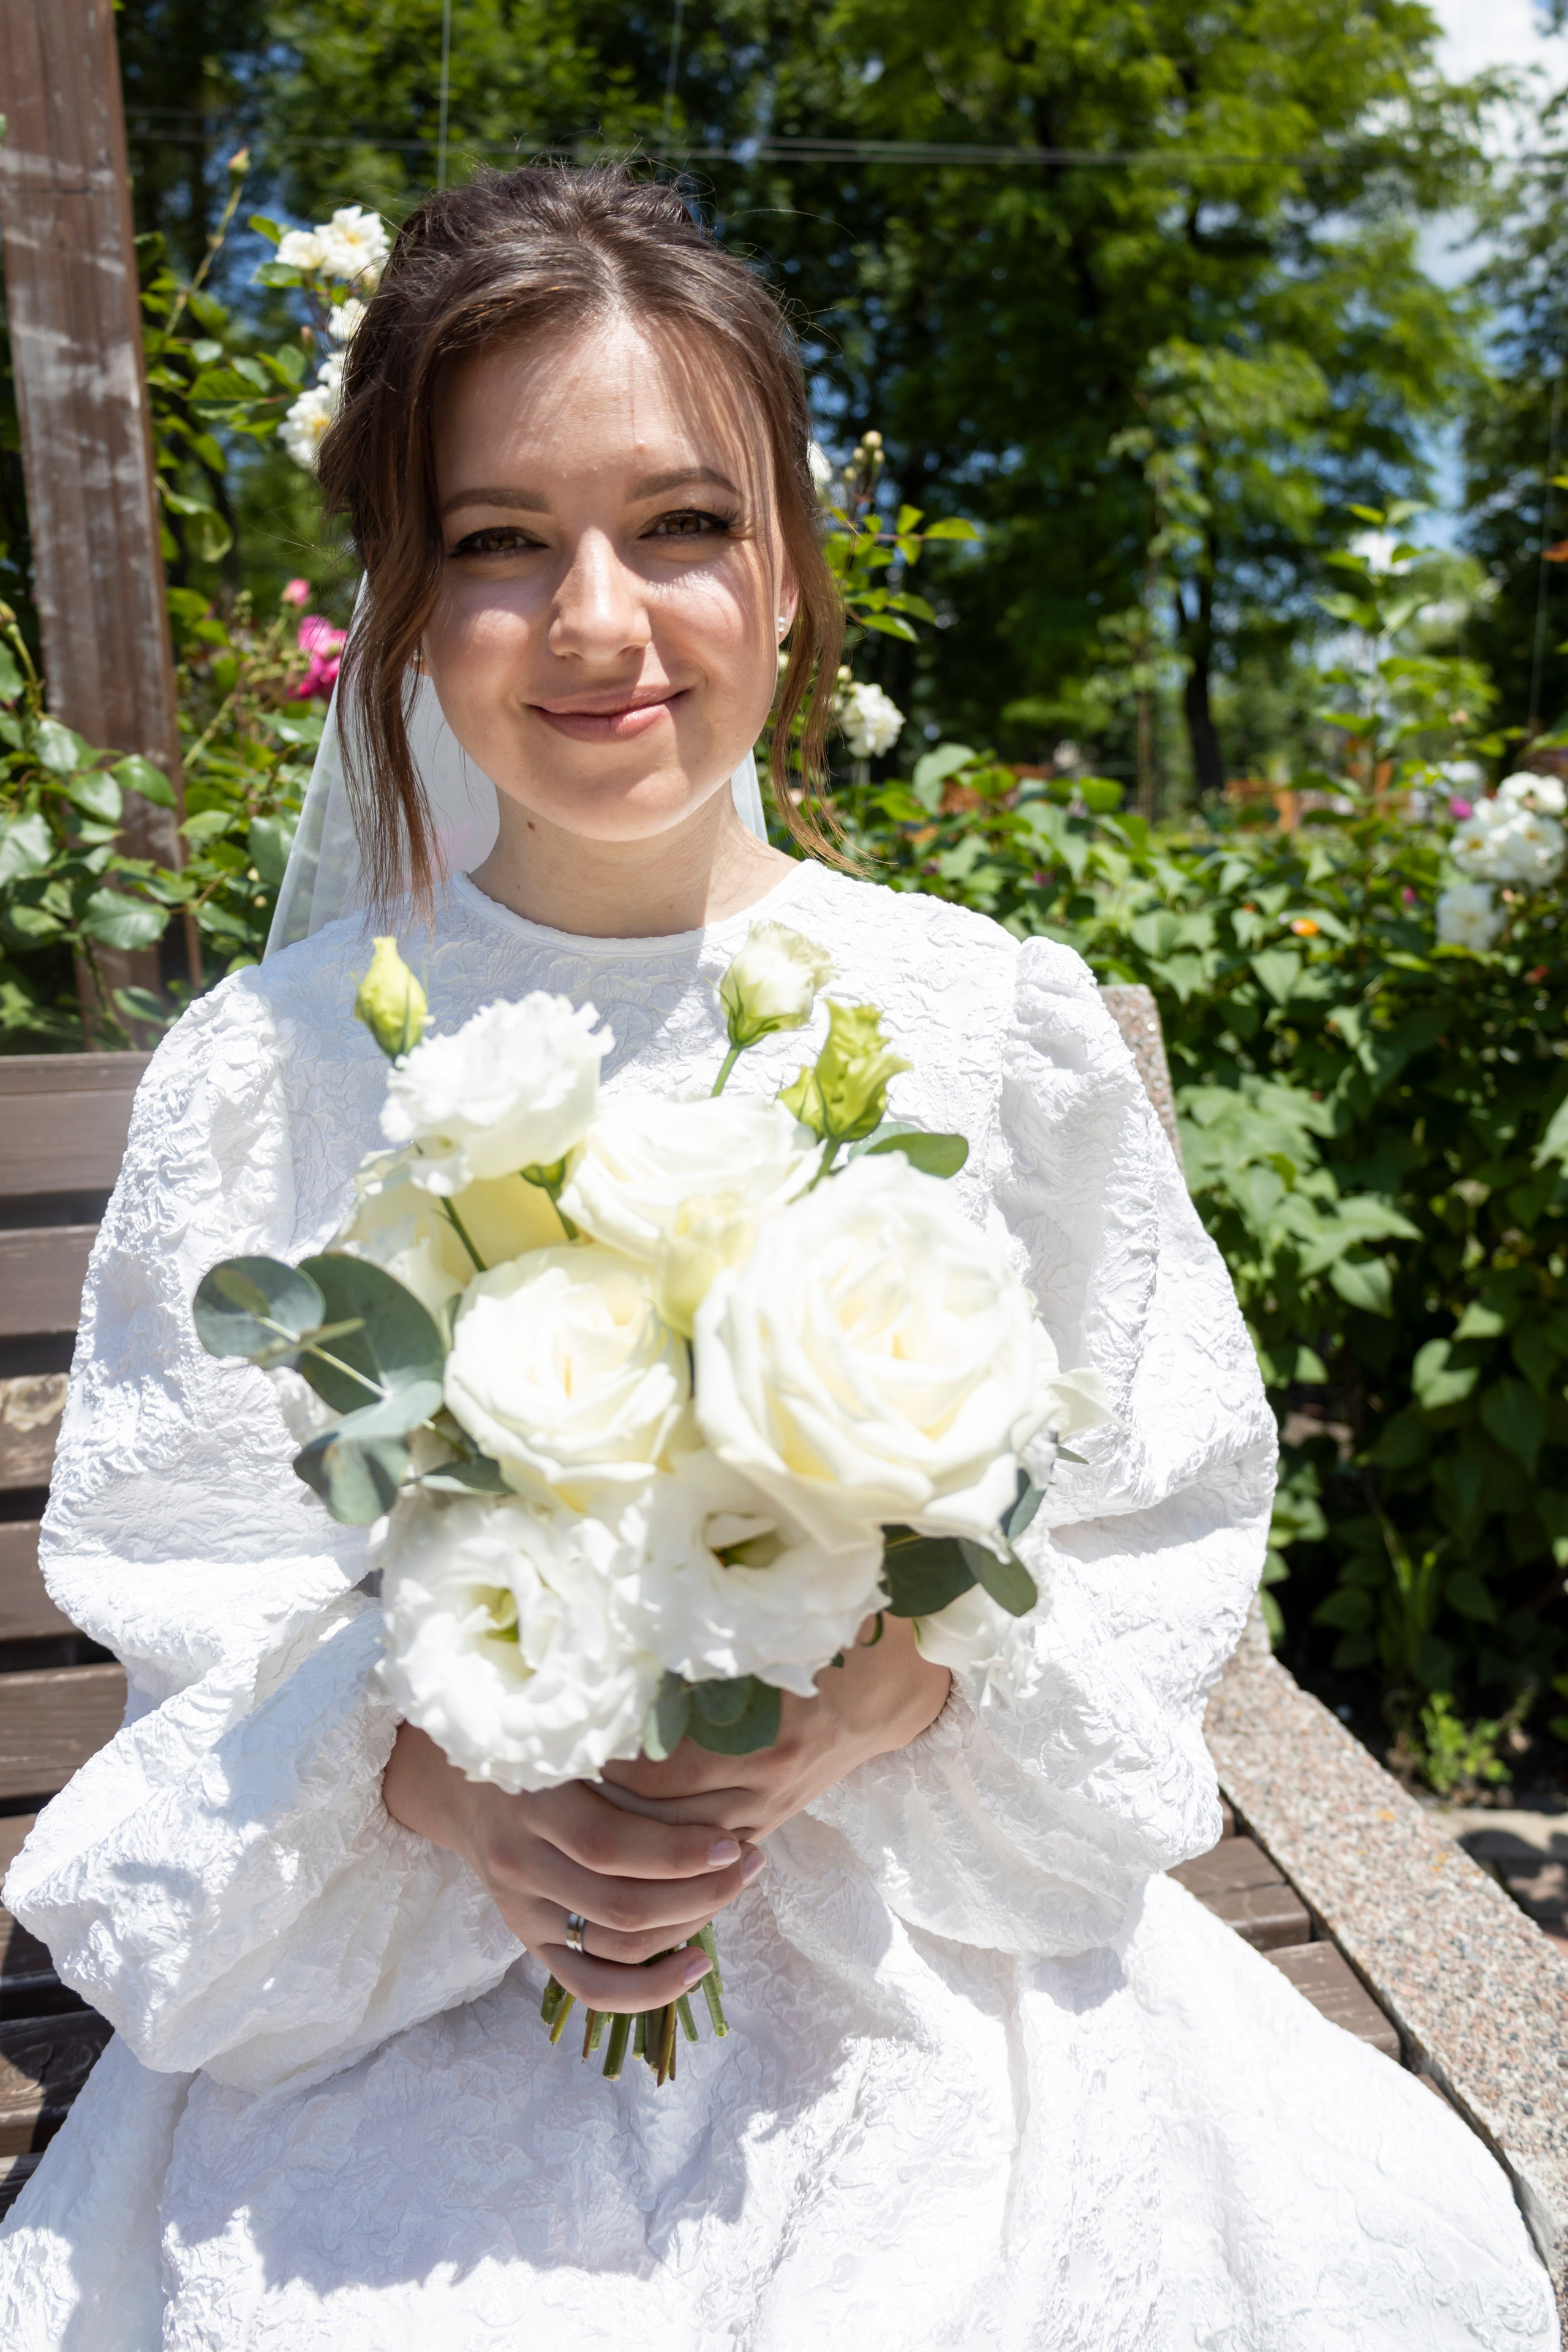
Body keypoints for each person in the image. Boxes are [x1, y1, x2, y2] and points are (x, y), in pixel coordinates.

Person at [0, 166, 1555, 2352]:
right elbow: (192, 1565)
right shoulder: (272, 1071)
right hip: (429, 1962)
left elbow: (1153, 1503)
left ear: (795, 570)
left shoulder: (982, 1025)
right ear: (410, 597)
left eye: (684, 525)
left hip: (914, 1934)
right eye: (498, 540)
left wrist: (908, 1678)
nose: (602, 618)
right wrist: (448, 1779)